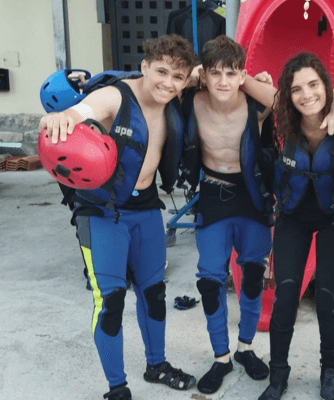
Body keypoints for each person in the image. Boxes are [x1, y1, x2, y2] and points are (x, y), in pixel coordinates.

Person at [38, 34, 199, 400]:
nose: (167, 83)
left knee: (154, 292)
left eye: (177, 77)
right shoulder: (116, 96)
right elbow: (83, 110)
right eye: (161, 72)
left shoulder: (175, 94)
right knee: (110, 302)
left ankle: (157, 365)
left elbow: (204, 73)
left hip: (146, 209)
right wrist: (63, 118)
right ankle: (117, 387)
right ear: (144, 67)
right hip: (103, 212)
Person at [178, 35, 277, 395]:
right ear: (204, 74)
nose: (223, 81)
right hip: (213, 195)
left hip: (252, 197)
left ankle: (245, 348)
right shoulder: (191, 100)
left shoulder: (256, 104)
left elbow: (286, 101)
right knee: (210, 280)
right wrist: (191, 75)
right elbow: (156, 82)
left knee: (252, 275)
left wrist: (250, 81)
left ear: (241, 75)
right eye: (215, 73)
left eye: (231, 73)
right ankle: (221, 357)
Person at [248, 53, 334, 400]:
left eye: (313, 85)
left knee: (326, 301)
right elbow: (242, 81)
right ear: (287, 95)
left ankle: (330, 372)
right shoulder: (282, 116)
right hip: (293, 218)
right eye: (296, 89)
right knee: (285, 297)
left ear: (326, 86)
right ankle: (278, 376)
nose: (306, 95)